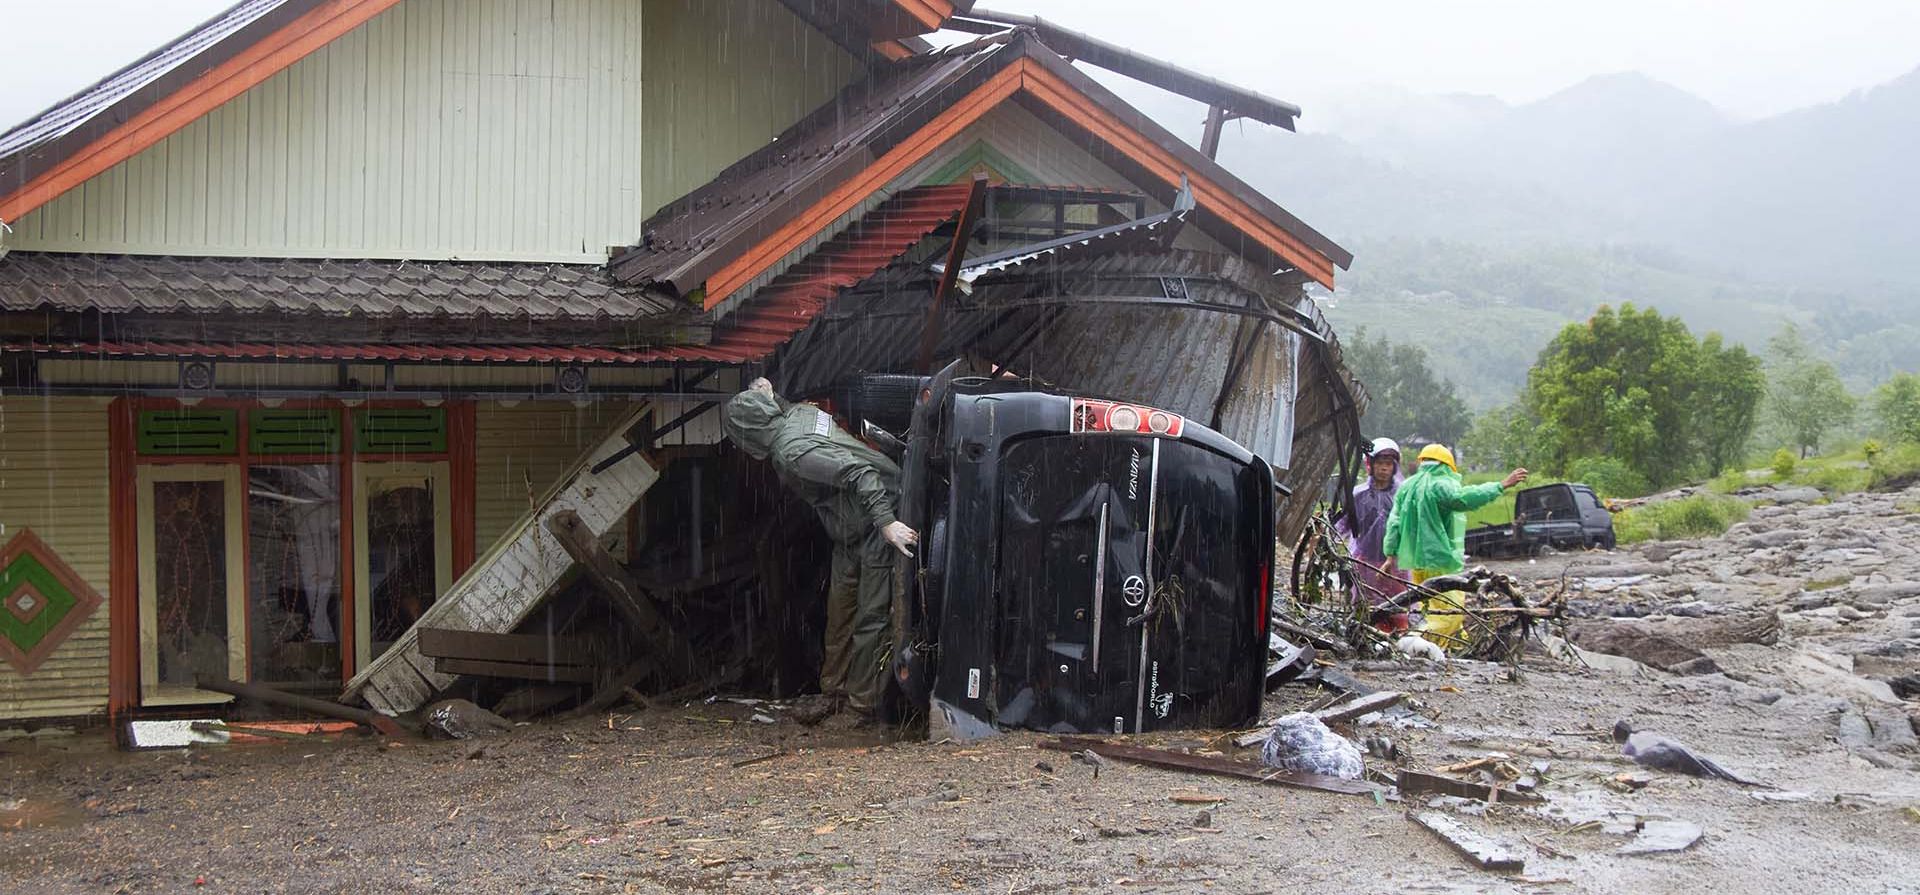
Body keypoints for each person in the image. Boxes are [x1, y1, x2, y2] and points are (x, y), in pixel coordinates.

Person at [723, 378, 918, 724]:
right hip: (849, 527)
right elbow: (779, 409)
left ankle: (860, 705)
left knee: (871, 616)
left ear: (747, 438)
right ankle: (833, 691)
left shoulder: (792, 453)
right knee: (840, 609)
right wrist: (769, 395)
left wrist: (887, 524)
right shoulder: (795, 414)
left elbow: (861, 472)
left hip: (876, 515)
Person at [1382, 444, 1527, 583]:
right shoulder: (1440, 485)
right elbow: (1465, 498)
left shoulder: (1406, 486)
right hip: (1440, 559)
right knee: (1446, 603)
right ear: (1446, 465)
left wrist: (1390, 555)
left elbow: (1394, 522)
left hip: (1416, 562)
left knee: (1422, 600)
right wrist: (1501, 485)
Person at [1336, 437, 1413, 631]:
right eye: (1380, 463)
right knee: (1366, 608)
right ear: (1370, 464)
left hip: (1396, 563)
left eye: (1388, 464)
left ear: (1394, 466)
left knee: (1397, 606)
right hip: (1365, 561)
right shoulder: (1358, 495)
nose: (1384, 468)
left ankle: (1399, 641)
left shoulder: (1402, 495)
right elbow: (1342, 525)